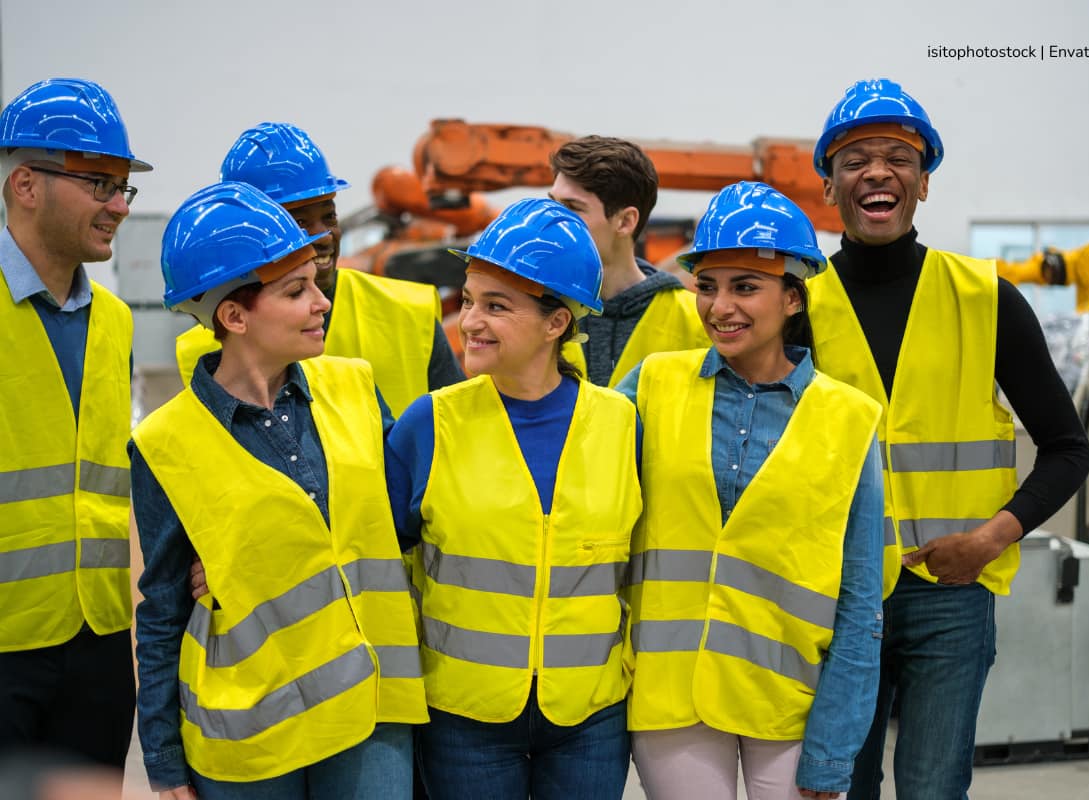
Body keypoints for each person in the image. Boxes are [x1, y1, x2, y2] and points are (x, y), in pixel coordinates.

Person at [806, 78, 1089, 800]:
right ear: (831, 188)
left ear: (923, 183)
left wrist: (991, 539)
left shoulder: (986, 297)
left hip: (949, 596)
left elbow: (1068, 446)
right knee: (839, 786)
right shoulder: (798, 305)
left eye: (898, 157)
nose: (877, 172)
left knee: (934, 788)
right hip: (834, 593)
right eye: (855, 159)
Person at [131, 182, 426, 798]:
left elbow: (408, 517)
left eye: (315, 283)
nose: (322, 302)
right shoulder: (166, 442)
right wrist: (163, 764)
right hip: (251, 732)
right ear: (234, 316)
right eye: (296, 291)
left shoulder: (354, 387)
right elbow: (161, 611)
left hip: (368, 709)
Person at [616, 181, 885, 800]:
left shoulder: (850, 418)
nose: (720, 307)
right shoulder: (654, 384)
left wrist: (833, 748)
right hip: (671, 693)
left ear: (794, 297)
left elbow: (860, 596)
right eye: (707, 287)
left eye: (745, 287)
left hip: (788, 700)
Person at [384, 198, 642, 799]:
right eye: (469, 300)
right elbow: (367, 552)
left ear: (557, 323)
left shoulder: (621, 424)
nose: (470, 320)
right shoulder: (430, 423)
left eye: (496, 306)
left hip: (589, 715)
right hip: (463, 714)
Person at [0, 77, 150, 773]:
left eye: (124, 188)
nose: (118, 206)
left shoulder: (115, 324)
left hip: (96, 640)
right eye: (98, 183)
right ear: (26, 186)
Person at [175, 121, 463, 409]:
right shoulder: (205, 350)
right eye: (299, 223)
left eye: (329, 218)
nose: (324, 236)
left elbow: (456, 431)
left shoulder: (408, 313)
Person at [549, 135, 709, 386]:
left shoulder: (698, 323)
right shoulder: (531, 307)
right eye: (552, 203)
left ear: (625, 221)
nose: (553, 219)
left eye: (572, 207)